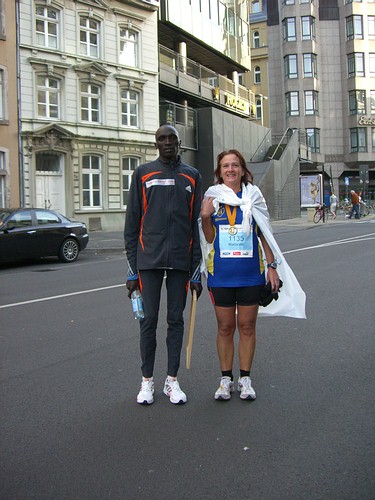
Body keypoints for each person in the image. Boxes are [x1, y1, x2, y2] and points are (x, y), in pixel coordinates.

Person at [200, 149, 306, 402]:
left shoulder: (254, 195)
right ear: (219, 171)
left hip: (250, 274)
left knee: (247, 326)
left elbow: (264, 234)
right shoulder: (212, 197)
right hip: (222, 275)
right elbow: (209, 238)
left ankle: (245, 378)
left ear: (242, 169)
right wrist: (205, 216)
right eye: (225, 166)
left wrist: (272, 266)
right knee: (225, 327)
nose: (230, 169)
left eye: (235, 165)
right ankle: (225, 379)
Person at [124, 124, 203, 405]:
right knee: (148, 322)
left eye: (172, 139)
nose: (167, 142)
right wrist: (133, 270)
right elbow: (132, 226)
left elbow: (198, 229)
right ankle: (147, 382)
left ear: (180, 143)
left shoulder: (192, 177)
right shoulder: (143, 173)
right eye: (162, 139)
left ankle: (172, 381)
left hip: (181, 262)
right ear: (156, 144)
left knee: (175, 321)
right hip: (149, 262)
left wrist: (196, 273)